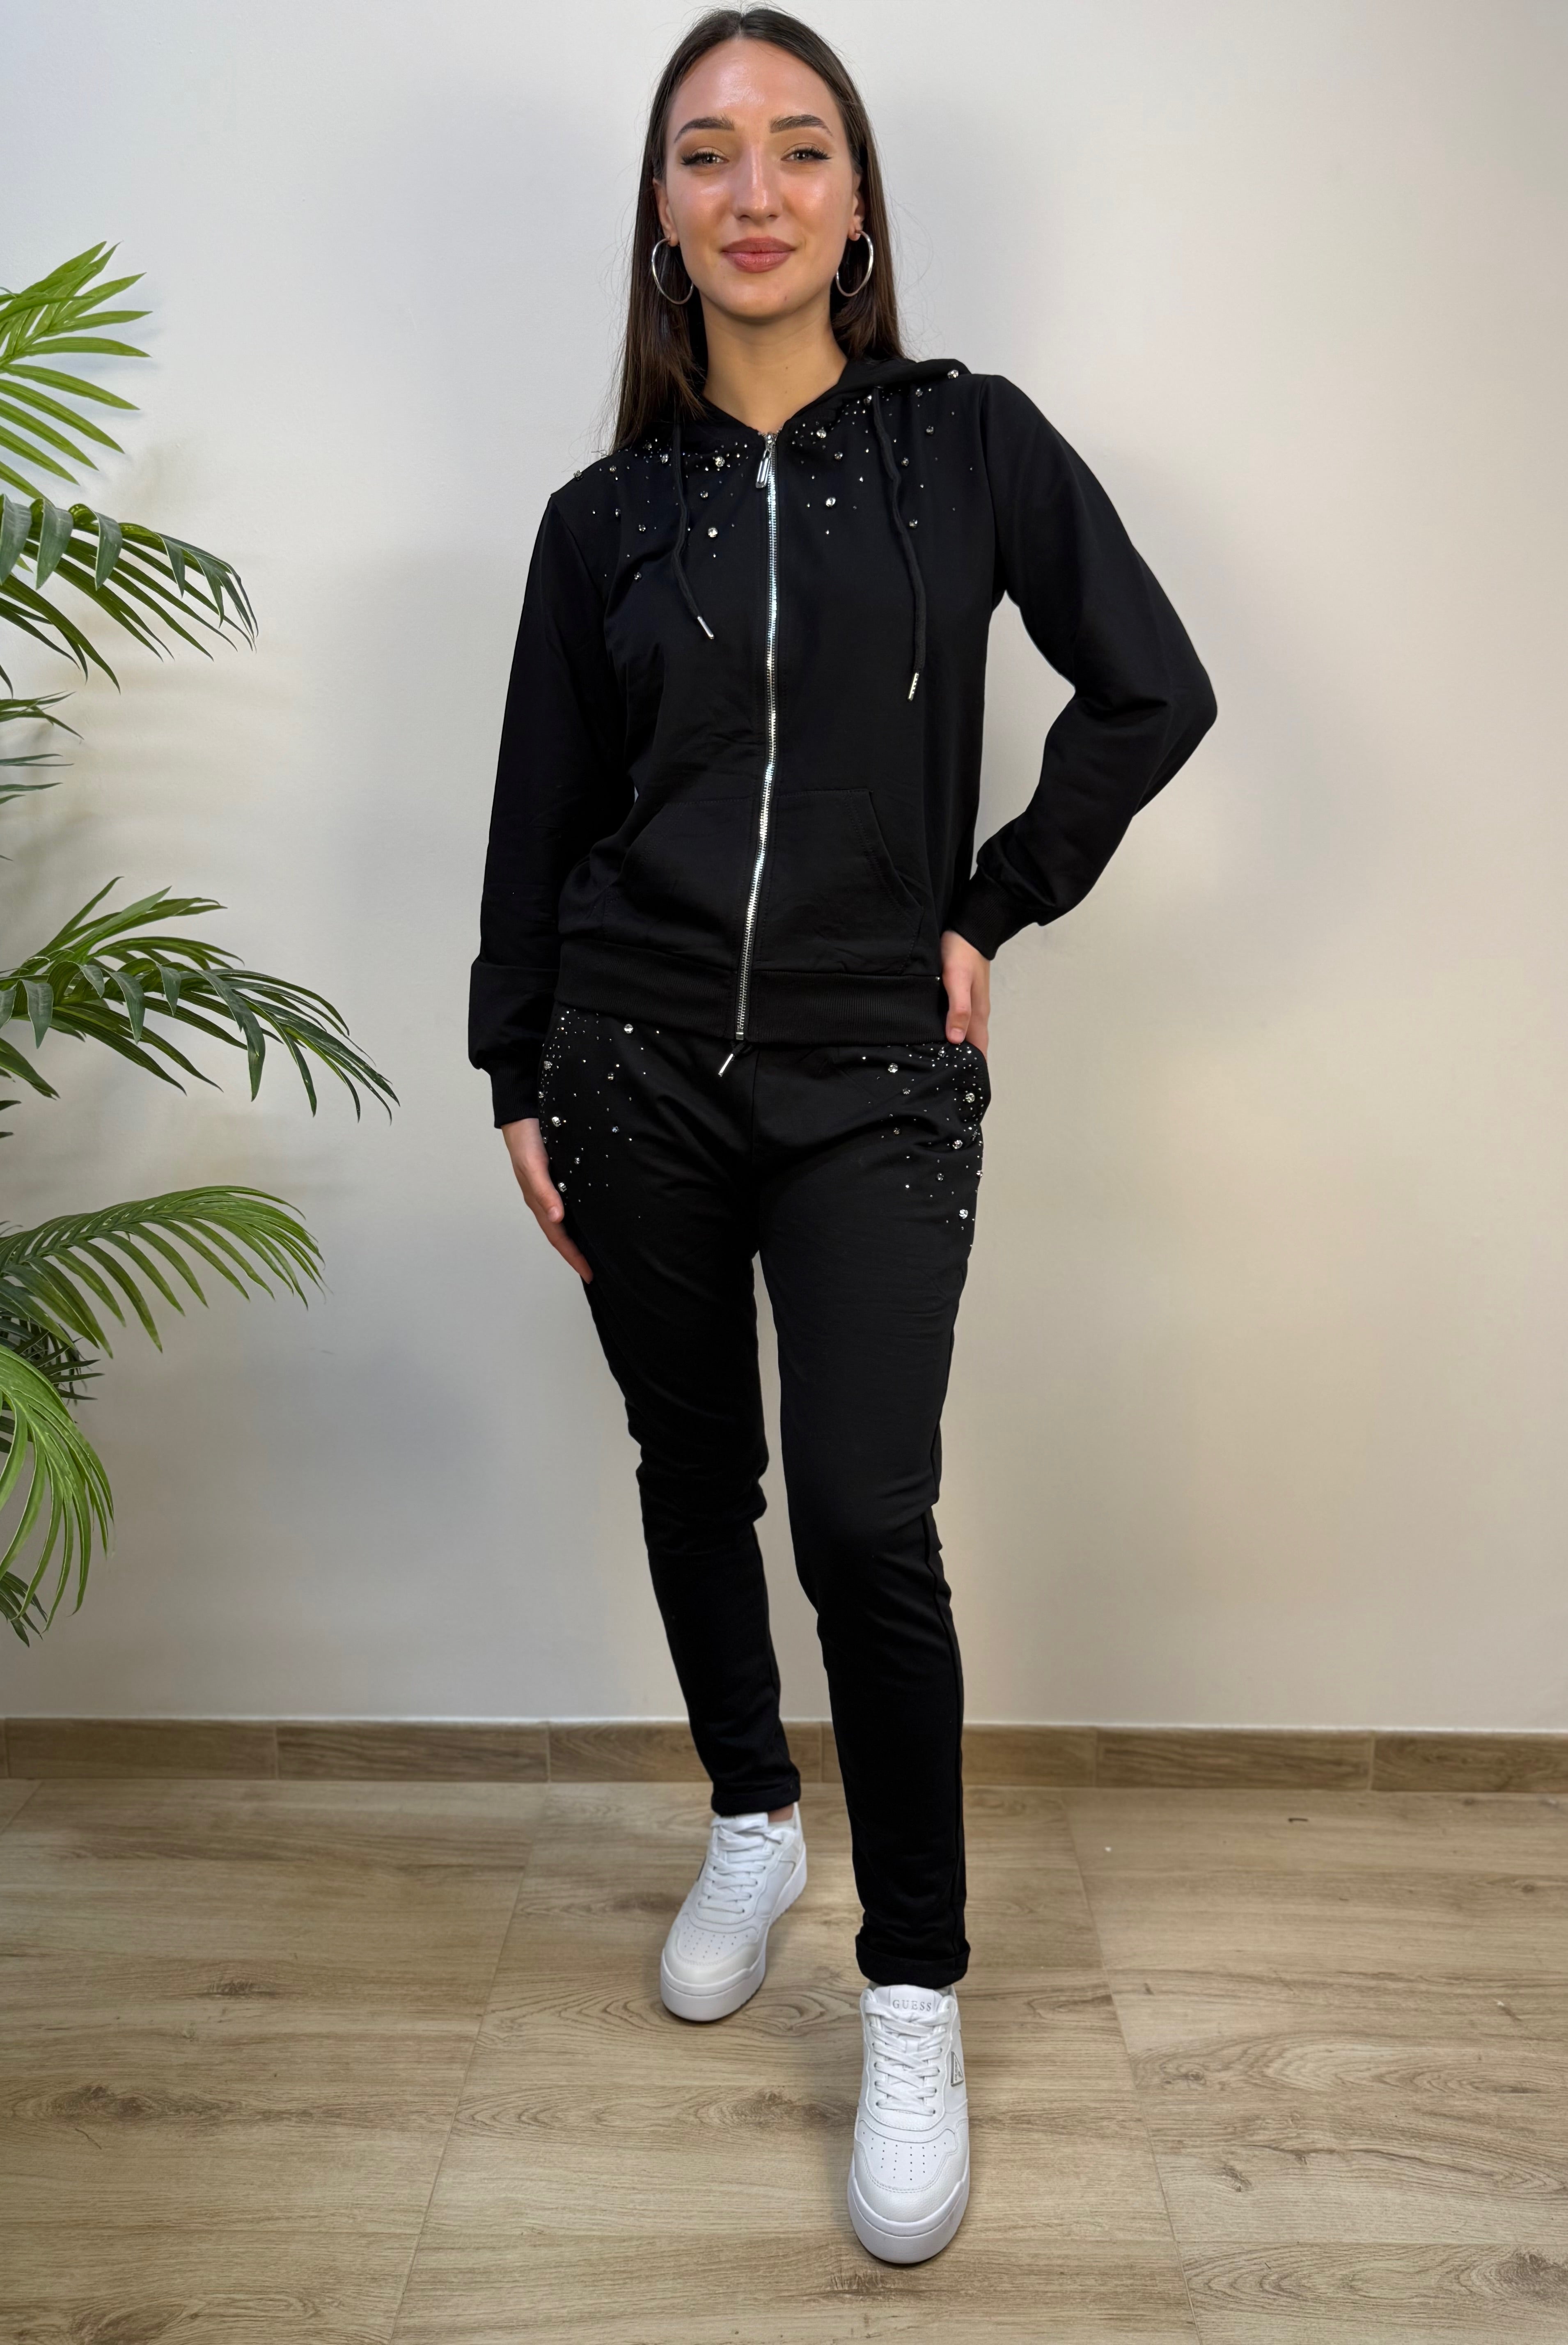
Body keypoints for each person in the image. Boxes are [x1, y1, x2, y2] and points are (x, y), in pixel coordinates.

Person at [469, 5, 1215, 2265]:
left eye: (800, 148)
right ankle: (748, 1816)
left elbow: (1153, 687)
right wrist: (518, 1068)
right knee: (694, 1469)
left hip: (875, 1073)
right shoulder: (604, 518)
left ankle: (911, 1990)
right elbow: (538, 815)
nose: (757, 190)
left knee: (868, 1522)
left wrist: (992, 904)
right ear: (663, 212)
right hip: (633, 1063)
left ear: (860, 201)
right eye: (709, 153)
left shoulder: (968, 445)